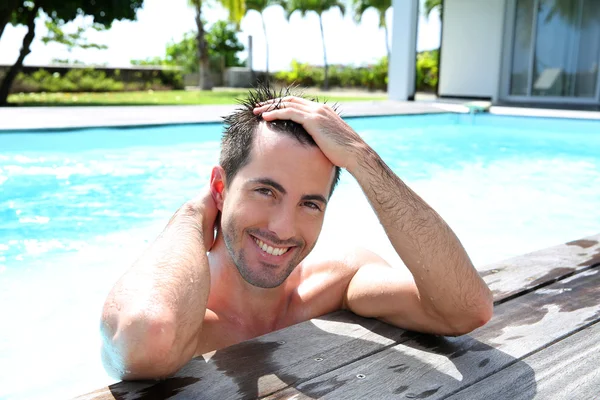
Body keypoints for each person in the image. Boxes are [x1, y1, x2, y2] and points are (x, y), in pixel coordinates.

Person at [100, 84, 493, 380]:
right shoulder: (186, 316)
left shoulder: (337, 281)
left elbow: (466, 309)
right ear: (220, 188)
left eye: (309, 203)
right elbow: (143, 338)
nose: (283, 229)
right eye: (265, 191)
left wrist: (362, 159)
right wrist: (193, 214)